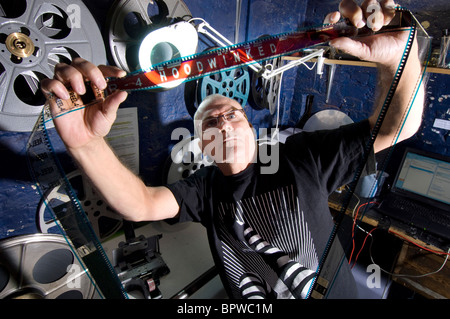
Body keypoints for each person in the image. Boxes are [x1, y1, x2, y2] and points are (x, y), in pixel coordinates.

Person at [41, 0, 424, 299]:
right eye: (211, 122)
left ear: (252, 130)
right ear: (204, 145)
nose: (223, 122)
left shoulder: (301, 158)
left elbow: (398, 127)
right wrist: (88, 144)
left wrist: (399, 59)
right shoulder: (204, 191)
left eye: (233, 114)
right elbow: (141, 203)